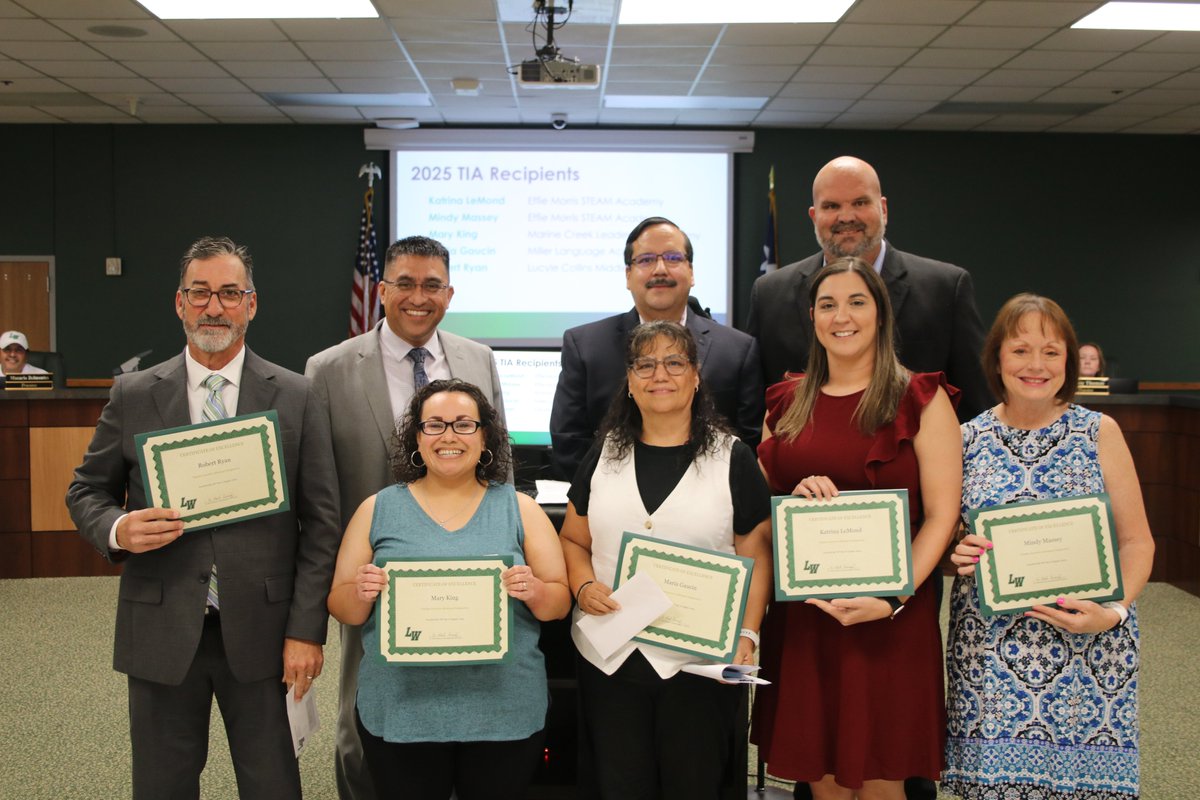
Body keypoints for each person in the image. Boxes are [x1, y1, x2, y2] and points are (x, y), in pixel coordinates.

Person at [66, 236, 340, 799]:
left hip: (267, 636)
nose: (214, 307)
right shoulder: (134, 394)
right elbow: (86, 490)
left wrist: (306, 630)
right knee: (162, 787)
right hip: (162, 628)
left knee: (273, 787)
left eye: (229, 293)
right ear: (179, 303)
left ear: (251, 304)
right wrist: (119, 529)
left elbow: (321, 524)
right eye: (200, 293)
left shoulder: (296, 395)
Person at [751, 257, 962, 800]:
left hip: (891, 621)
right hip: (806, 622)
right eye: (827, 305)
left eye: (856, 302)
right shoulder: (785, 403)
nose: (841, 316)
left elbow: (942, 517)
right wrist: (789, 501)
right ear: (813, 319)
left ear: (881, 314)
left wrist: (891, 597)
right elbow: (757, 513)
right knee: (821, 782)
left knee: (881, 781)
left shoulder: (921, 399)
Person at [305, 234, 506, 800]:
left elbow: (499, 461)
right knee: (362, 720)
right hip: (372, 571)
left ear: (450, 292)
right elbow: (320, 487)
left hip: (468, 564)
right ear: (382, 289)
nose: (419, 297)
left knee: (463, 706)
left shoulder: (479, 359)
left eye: (432, 285)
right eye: (406, 284)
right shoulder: (328, 370)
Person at [942, 294, 1154, 800]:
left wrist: (1115, 610)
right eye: (1020, 350)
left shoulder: (1099, 432)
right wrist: (959, 552)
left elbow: (1137, 541)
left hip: (1090, 648)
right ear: (996, 359)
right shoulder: (965, 438)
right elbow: (949, 537)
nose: (1036, 365)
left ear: (1069, 360)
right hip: (990, 654)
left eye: (1051, 352)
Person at [560, 320, 774, 800]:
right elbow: (573, 540)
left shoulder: (733, 458)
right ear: (631, 381)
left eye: (675, 362)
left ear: (696, 376)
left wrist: (748, 632)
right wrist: (582, 587)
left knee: (695, 784)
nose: (661, 374)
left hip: (702, 665)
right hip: (610, 658)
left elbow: (755, 555)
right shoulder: (603, 455)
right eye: (646, 364)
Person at [327, 378, 569, 800]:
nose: (449, 437)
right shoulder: (377, 509)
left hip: (503, 711)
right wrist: (360, 592)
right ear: (416, 439)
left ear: (485, 437)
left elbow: (558, 605)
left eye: (463, 425)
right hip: (401, 712)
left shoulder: (521, 509)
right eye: (434, 425)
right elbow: (342, 607)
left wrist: (534, 590)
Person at [746, 155, 991, 422]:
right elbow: (756, 409)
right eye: (831, 206)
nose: (847, 216)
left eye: (860, 203)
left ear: (883, 209)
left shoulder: (945, 288)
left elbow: (977, 407)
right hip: (804, 460)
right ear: (814, 216)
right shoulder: (770, 294)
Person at [551, 216, 764, 482]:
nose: (660, 269)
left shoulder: (738, 350)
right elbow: (569, 442)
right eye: (646, 260)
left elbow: (751, 441)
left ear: (692, 271)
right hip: (609, 508)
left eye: (673, 258)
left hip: (712, 508)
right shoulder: (584, 346)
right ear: (628, 275)